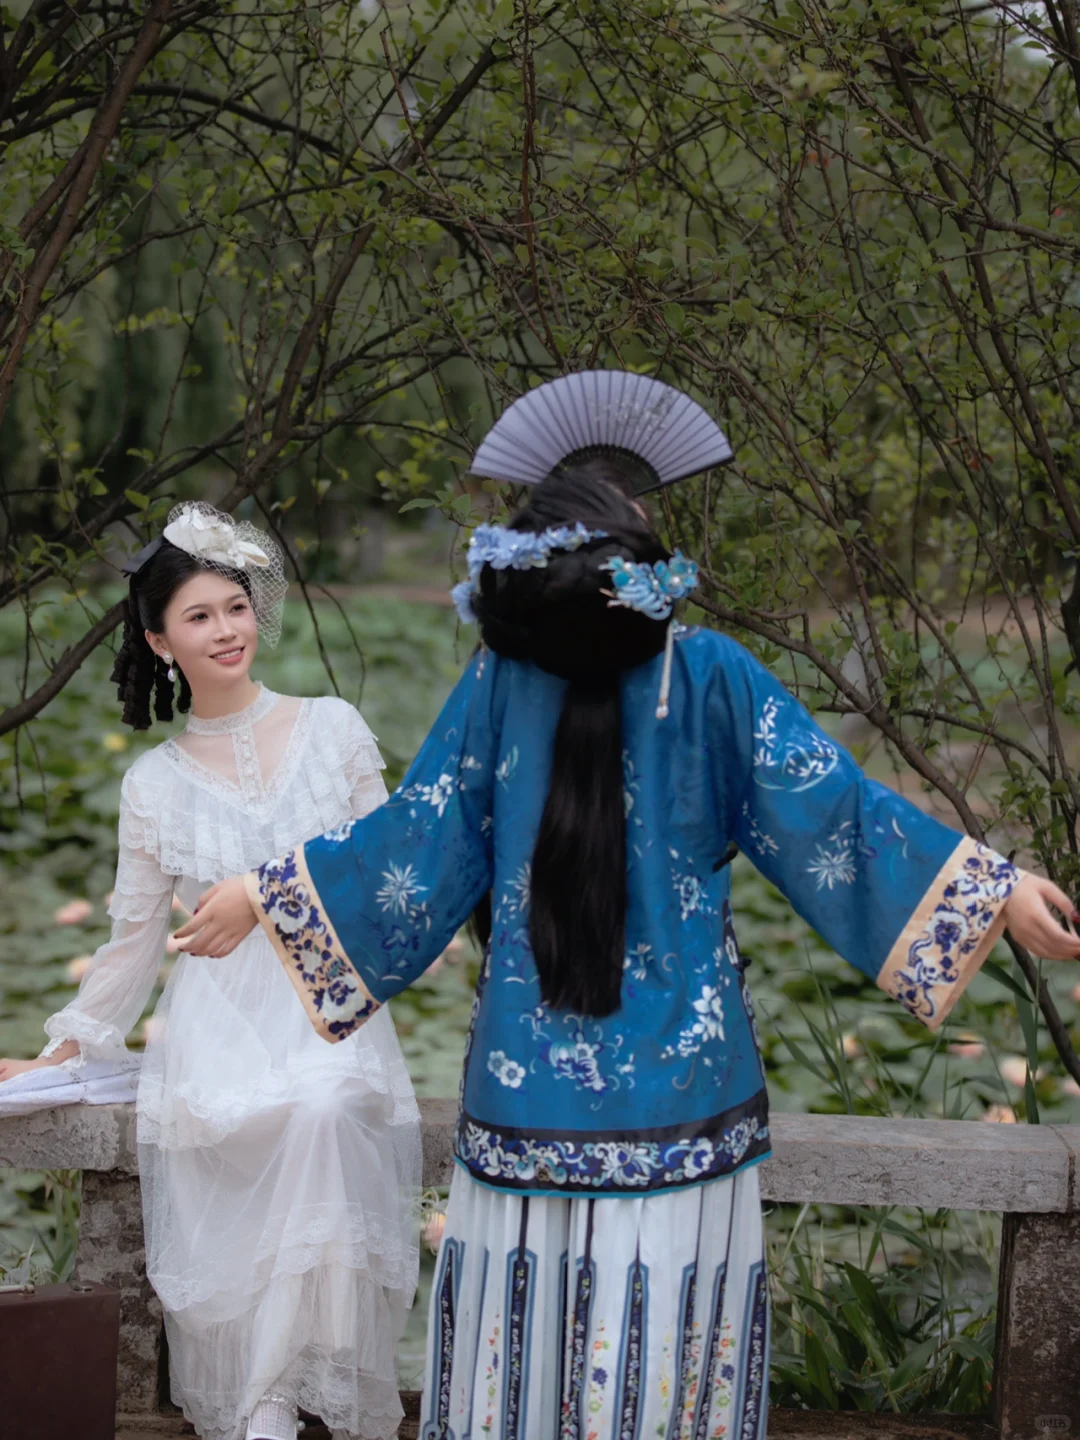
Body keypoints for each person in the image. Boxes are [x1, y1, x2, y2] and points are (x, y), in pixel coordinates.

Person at [175, 373, 1080, 1440]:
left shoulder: (497, 684)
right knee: (662, 1362)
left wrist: (266, 895)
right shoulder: (715, 678)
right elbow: (836, 818)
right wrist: (994, 887)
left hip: (527, 1095)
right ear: (638, 545)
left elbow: (410, 847)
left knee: (528, 1368)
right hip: (683, 1093)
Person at [0, 503, 421, 1440]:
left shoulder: (333, 728)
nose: (227, 630)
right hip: (218, 1025)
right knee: (263, 1130)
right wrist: (63, 1048)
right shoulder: (152, 782)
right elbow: (133, 939)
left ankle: (277, 1396)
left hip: (327, 1006)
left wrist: (267, 894)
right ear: (159, 641)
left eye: (235, 606)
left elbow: (391, 882)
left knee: (320, 1111)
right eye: (199, 617)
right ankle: (265, 1398)